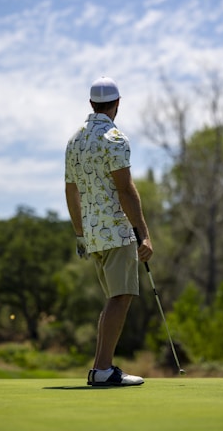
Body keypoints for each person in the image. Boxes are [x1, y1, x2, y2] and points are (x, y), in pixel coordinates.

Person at [65, 76, 153, 387]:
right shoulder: (115, 138)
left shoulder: (75, 140)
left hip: (92, 235)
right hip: (116, 231)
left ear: (91, 104)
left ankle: (100, 368)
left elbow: (70, 191)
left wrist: (80, 233)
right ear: (117, 104)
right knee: (121, 297)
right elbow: (126, 190)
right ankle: (102, 370)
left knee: (114, 298)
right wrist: (143, 233)